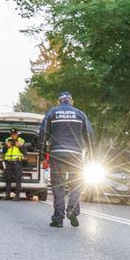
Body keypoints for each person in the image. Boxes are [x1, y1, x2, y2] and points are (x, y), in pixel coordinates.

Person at [38, 91, 94, 227]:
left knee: (58, 186)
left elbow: (43, 134)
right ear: (71, 101)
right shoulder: (80, 114)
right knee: (78, 184)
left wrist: (42, 154)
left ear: (59, 101)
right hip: (75, 155)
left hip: (57, 154)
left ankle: (58, 219)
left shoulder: (52, 113)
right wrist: (92, 156)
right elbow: (90, 136)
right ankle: (73, 211)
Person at [3, 129, 25, 200]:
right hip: (8, 162)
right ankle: (7, 195)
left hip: (17, 162)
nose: (13, 135)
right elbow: (3, 151)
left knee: (18, 179)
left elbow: (25, 151)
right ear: (11, 134)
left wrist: (19, 146)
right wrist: (6, 146)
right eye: (12, 134)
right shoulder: (7, 140)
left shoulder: (21, 140)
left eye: (15, 134)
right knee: (8, 179)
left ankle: (17, 196)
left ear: (17, 134)